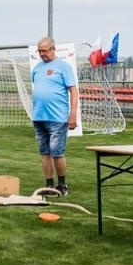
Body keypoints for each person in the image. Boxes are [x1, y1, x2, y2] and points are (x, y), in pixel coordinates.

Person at [30, 37, 79, 196]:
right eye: (39, 51)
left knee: (56, 152)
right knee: (44, 152)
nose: (41, 54)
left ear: (53, 49)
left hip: (57, 118)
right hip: (39, 117)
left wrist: (72, 115)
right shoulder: (36, 68)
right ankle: (49, 185)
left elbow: (73, 91)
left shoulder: (63, 67)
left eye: (44, 50)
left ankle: (62, 185)